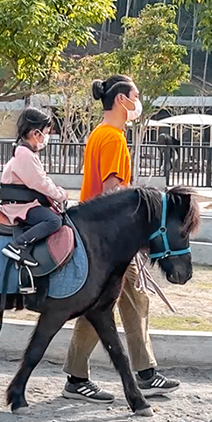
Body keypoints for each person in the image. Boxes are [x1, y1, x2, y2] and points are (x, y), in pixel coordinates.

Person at [62, 75, 181, 403]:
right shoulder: (113, 139)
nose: (138, 103)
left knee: (117, 301)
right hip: (109, 239)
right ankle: (131, 375)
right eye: (136, 96)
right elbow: (112, 192)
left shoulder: (99, 134)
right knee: (114, 302)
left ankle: (129, 373)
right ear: (121, 101)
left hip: (94, 236)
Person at [0, 107, 69, 270]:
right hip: (19, 206)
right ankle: (17, 246)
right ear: (35, 133)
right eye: (46, 132)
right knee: (54, 221)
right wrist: (60, 195)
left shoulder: (25, 152)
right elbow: (40, 182)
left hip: (24, 203)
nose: (47, 137)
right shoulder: (25, 154)